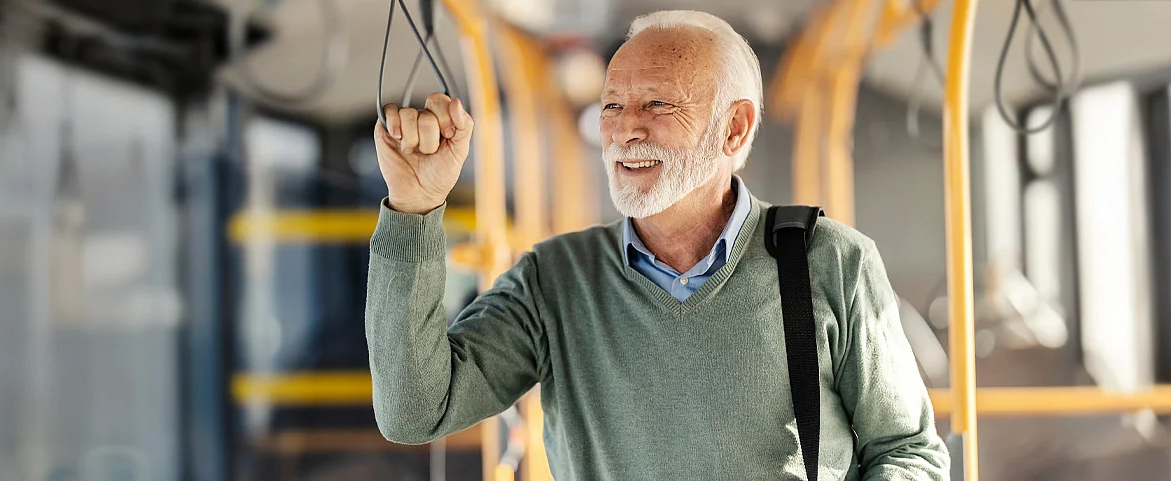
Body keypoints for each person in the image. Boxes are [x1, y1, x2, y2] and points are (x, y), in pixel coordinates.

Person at [366, 9, 948, 480]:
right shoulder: (556, 279)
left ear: (734, 128)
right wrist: (414, 209)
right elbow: (415, 411)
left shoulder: (831, 262)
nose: (624, 129)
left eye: (657, 105)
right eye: (612, 105)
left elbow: (908, 453)